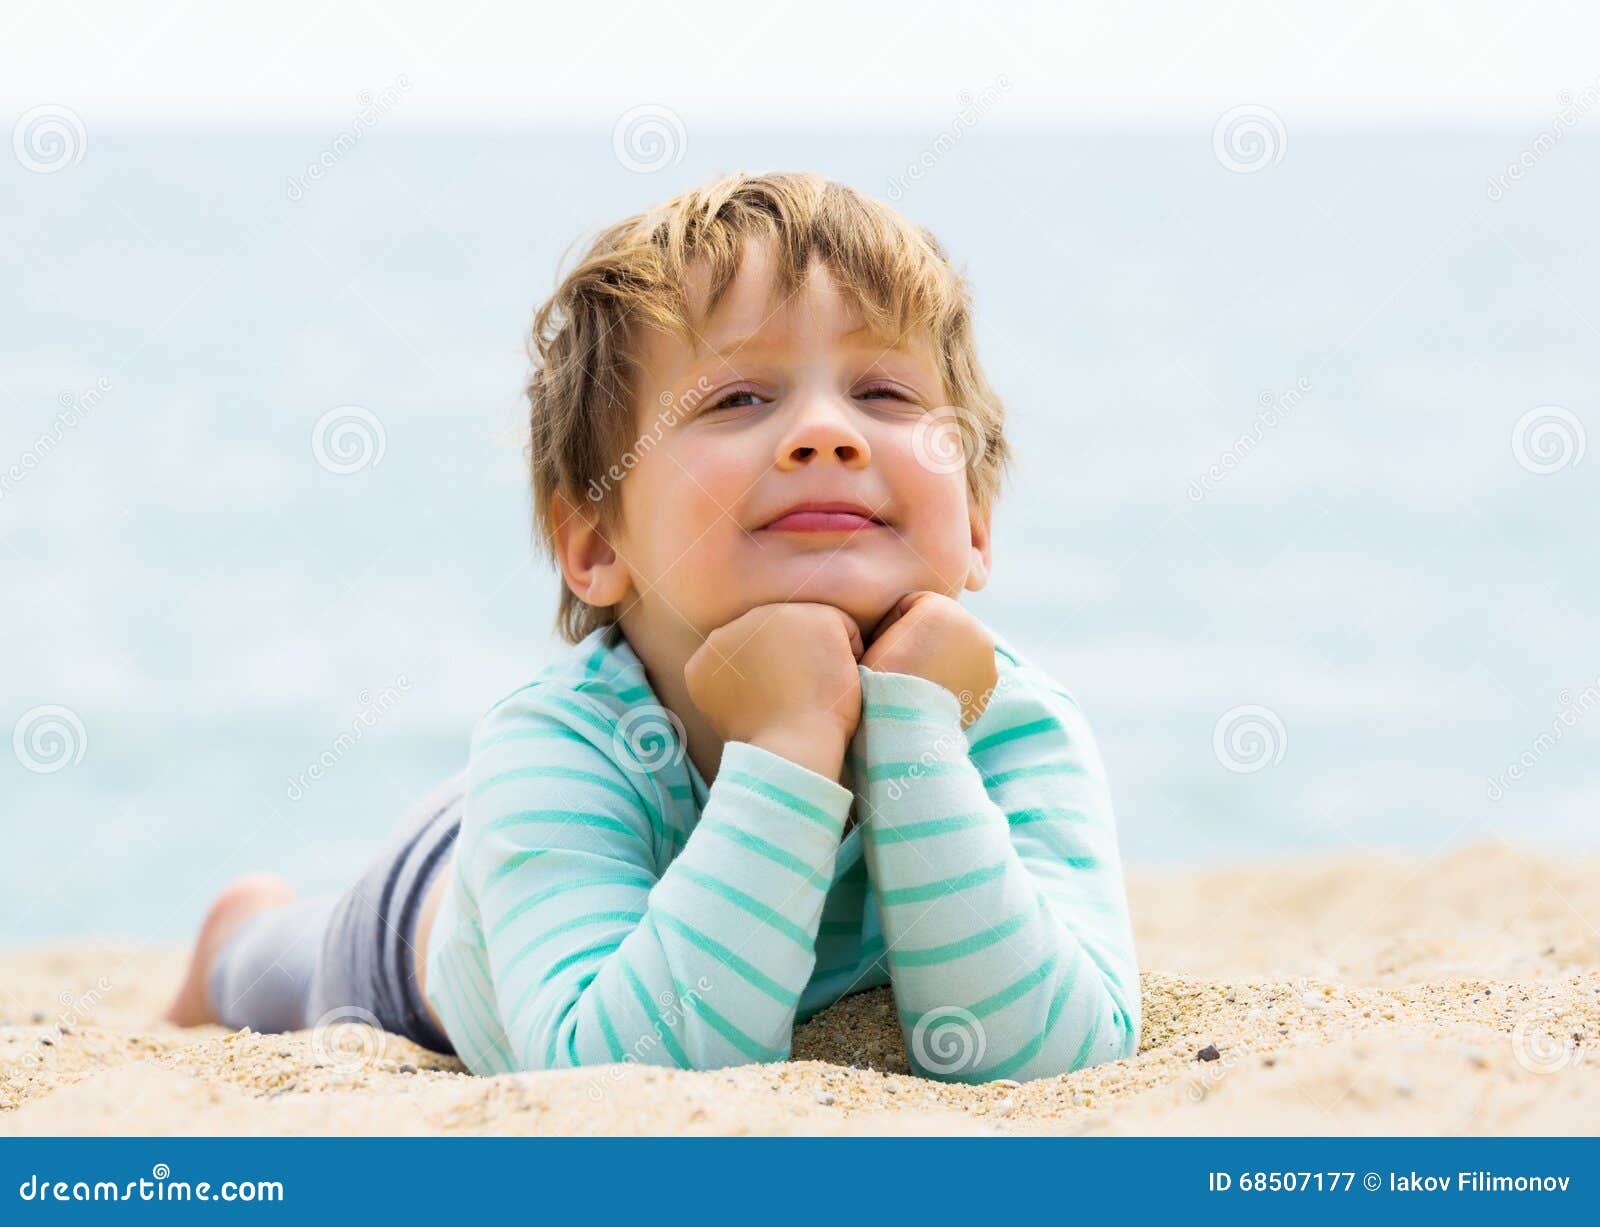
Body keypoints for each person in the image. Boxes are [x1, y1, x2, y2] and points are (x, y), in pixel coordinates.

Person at [161, 171, 1141, 1083]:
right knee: (278, 970)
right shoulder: (554, 748)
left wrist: (915, 737)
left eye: (882, 392)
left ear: (973, 521)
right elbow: (621, 1077)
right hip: (451, 898)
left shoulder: (1010, 721)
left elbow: (1056, 1049)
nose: (825, 431)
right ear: (593, 542)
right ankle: (235, 933)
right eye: (737, 398)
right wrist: (790, 747)